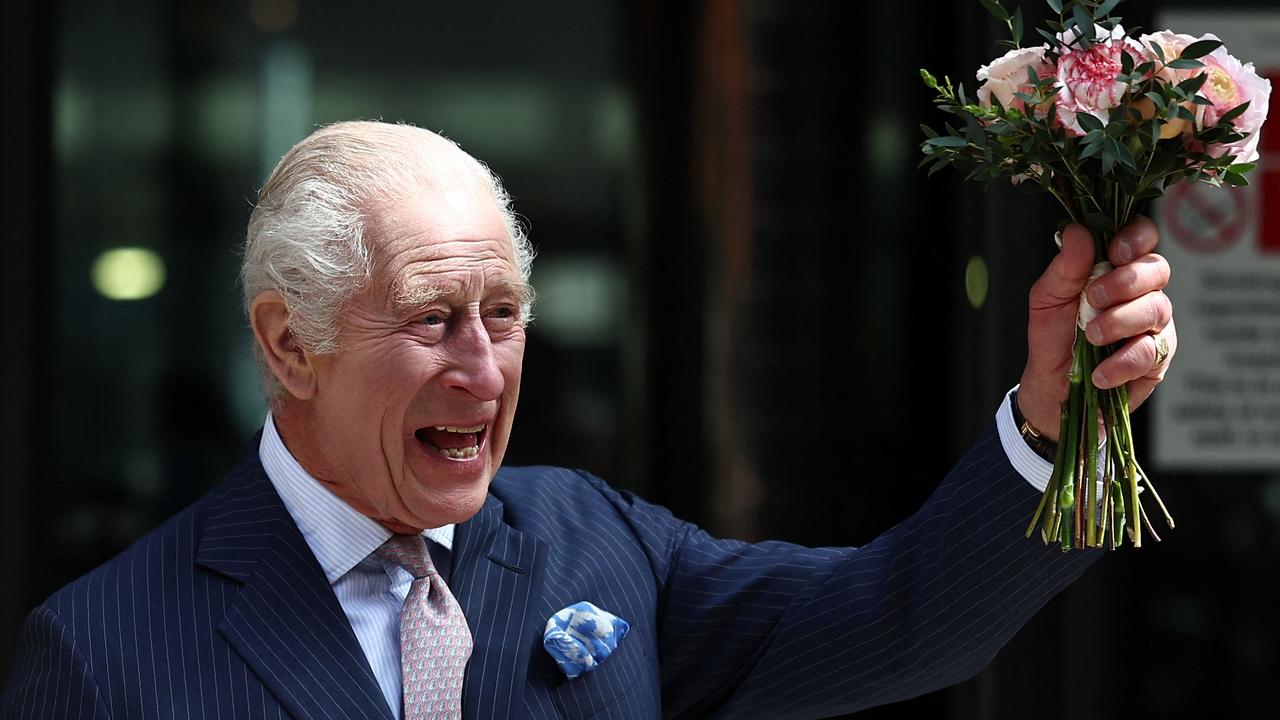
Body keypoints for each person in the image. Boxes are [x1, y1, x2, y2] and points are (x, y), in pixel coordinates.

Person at [1, 121, 1176, 719]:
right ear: (288, 343)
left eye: (502, 314)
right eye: (429, 319)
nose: (482, 368)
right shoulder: (104, 653)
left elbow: (900, 617)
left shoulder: (592, 541)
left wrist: (1054, 425)